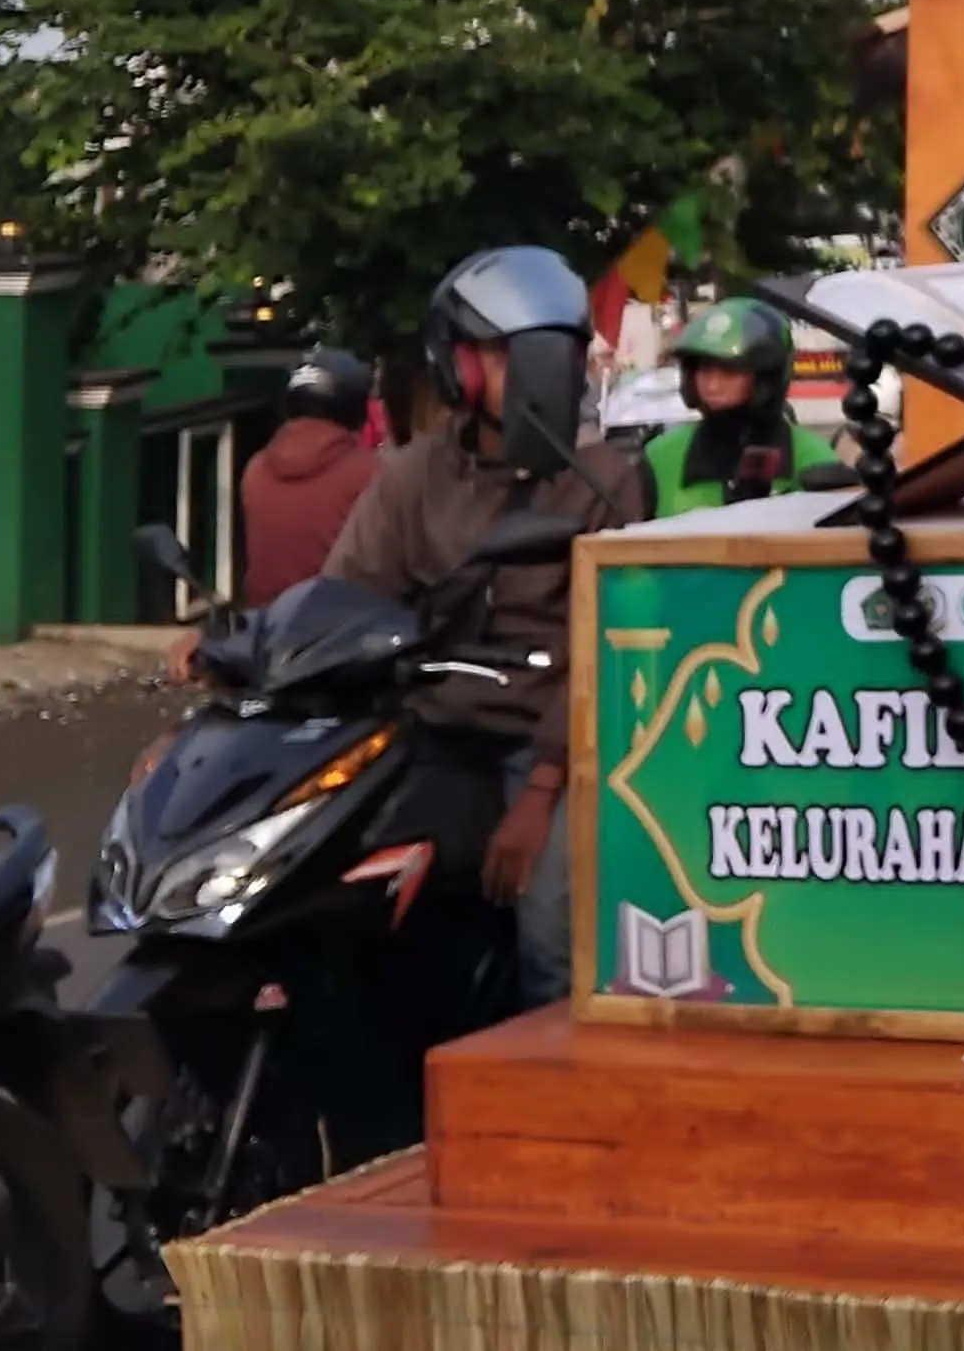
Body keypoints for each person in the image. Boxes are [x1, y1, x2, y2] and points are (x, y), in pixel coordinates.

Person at [324, 245, 647, 1005]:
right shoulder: (414, 474)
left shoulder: (604, 481)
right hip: (432, 729)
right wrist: (241, 653)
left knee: (550, 933)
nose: (532, 375)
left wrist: (541, 790)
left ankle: (551, 1071)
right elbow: (344, 596)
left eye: (539, 356)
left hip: (554, 743)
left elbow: (602, 653)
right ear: (459, 369)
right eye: (500, 357)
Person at [641, 295, 847, 514]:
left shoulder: (815, 459)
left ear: (765, 378)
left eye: (730, 371)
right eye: (705, 369)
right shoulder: (661, 456)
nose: (713, 385)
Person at [236, 348, 383, 604]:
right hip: (345, 622)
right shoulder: (369, 473)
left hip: (269, 623)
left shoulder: (256, 470)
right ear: (356, 410)